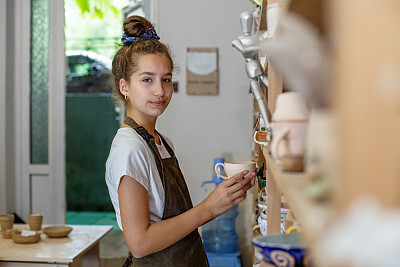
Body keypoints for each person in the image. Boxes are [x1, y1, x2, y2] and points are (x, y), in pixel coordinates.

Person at [105, 15, 256, 267]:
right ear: (124, 87)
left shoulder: (160, 141)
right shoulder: (129, 148)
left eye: (166, 79)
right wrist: (209, 208)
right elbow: (139, 243)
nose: (160, 90)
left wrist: (225, 198)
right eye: (147, 79)